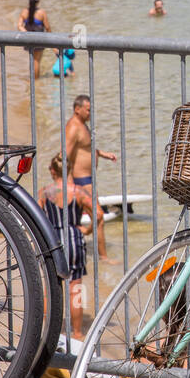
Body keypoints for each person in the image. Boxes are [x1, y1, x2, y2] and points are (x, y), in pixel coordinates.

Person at [38, 153, 104, 340]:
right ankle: (76, 333)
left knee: (49, 288)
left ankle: (49, 332)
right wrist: (88, 230)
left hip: (52, 240)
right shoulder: (79, 192)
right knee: (75, 288)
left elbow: (37, 216)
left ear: (52, 170)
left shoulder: (45, 192)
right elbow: (98, 215)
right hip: (74, 238)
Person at [64, 95, 119, 264]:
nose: (90, 112)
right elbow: (65, 154)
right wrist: (66, 183)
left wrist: (102, 154)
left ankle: (71, 250)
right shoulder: (73, 127)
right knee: (98, 216)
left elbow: (85, 147)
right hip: (80, 182)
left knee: (75, 220)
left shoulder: (82, 125)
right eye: (88, 109)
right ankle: (103, 257)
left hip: (86, 180)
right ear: (77, 109)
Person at [17, 0, 49, 76]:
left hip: (28, 40)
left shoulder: (24, 12)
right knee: (37, 61)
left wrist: (26, 33)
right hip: (39, 39)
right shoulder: (42, 12)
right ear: (38, 1)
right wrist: (51, 38)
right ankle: (36, 82)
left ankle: (32, 79)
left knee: (32, 59)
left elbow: (19, 25)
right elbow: (47, 27)